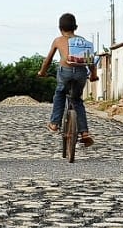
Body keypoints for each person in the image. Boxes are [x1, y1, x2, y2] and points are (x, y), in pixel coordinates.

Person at [37, 12, 98, 147]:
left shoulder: (58, 40)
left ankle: (54, 123)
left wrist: (42, 72)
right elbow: (90, 61)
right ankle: (84, 133)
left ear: (60, 28)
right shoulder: (82, 40)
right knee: (77, 100)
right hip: (81, 73)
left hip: (65, 72)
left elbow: (48, 60)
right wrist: (93, 75)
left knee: (59, 93)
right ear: (75, 27)